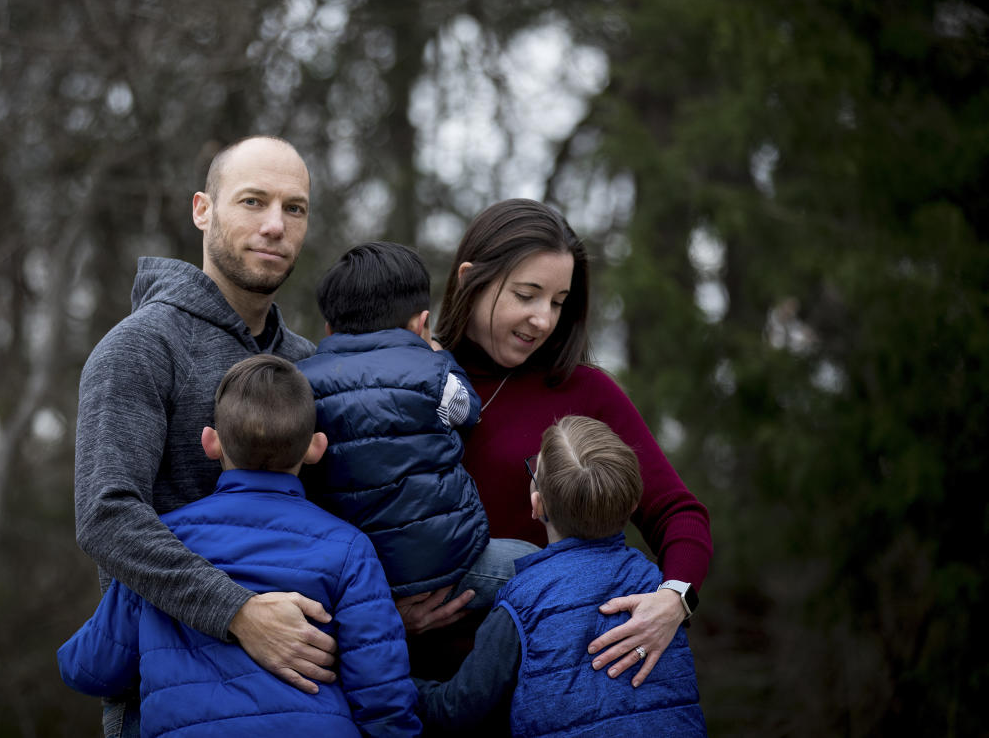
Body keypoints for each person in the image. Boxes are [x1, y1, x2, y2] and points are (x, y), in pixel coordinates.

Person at [73, 136, 335, 736]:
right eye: (252, 201)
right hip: (168, 697)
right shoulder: (140, 347)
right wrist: (238, 613)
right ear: (203, 210)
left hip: (304, 695)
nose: (275, 225)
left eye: (294, 208)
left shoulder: (308, 364)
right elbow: (106, 515)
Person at [400, 198, 712, 688]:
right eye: (527, 295)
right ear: (468, 280)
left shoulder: (586, 392)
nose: (544, 319)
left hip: (558, 690)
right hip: (420, 691)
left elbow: (679, 513)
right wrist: (390, 619)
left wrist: (674, 598)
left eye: (558, 301)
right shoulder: (406, 378)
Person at [59, 355, 421, 737]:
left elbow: (90, 667)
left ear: (210, 442)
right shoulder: (350, 549)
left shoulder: (161, 544)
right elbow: (384, 699)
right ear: (315, 448)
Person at [414, 415, 707, 736]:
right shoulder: (656, 590)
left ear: (537, 504)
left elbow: (457, 710)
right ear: (634, 503)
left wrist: (397, 682)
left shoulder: (521, 601)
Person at [297, 242, 537, 607]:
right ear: (422, 323)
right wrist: (441, 357)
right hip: (446, 564)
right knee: (535, 565)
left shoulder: (300, 383)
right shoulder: (433, 373)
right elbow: (468, 411)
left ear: (329, 329)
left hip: (348, 578)